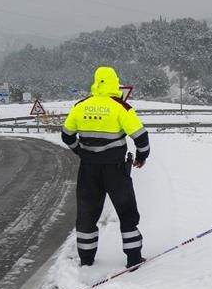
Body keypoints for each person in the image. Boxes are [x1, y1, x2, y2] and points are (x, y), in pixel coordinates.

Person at [61, 66, 150, 268]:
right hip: (116, 169)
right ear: (114, 82)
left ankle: (86, 260)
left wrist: (80, 151)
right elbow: (141, 137)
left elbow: (66, 135)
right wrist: (142, 156)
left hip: (88, 169)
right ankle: (134, 259)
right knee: (127, 213)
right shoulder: (121, 107)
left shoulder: (81, 106)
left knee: (87, 215)